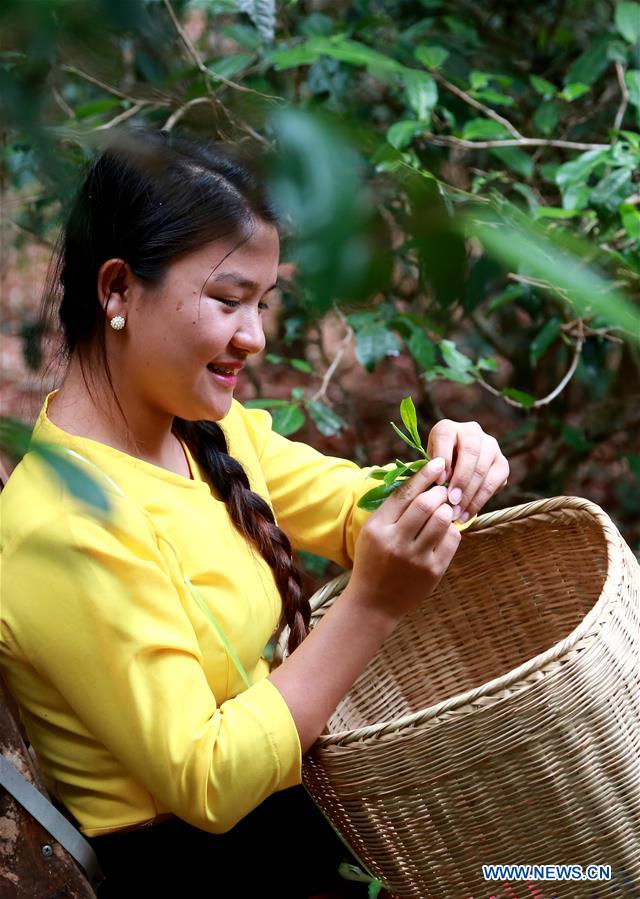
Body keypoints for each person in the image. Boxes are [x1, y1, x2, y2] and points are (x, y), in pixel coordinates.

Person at [0, 127, 509, 897]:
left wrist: (447, 467)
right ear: (117, 290)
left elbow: (353, 510)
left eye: (264, 303)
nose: (257, 335)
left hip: (299, 832)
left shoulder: (208, 428)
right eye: (229, 300)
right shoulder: (61, 524)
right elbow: (204, 780)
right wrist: (371, 601)